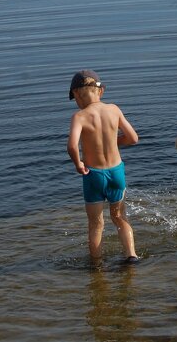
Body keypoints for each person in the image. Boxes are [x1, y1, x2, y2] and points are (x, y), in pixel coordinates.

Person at [67, 69, 139, 263]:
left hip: (93, 175)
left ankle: (97, 265)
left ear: (76, 94)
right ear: (101, 91)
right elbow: (133, 138)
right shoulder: (114, 110)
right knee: (120, 217)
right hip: (116, 172)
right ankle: (131, 255)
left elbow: (72, 146)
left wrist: (78, 164)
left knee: (96, 225)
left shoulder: (79, 117)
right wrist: (114, 142)